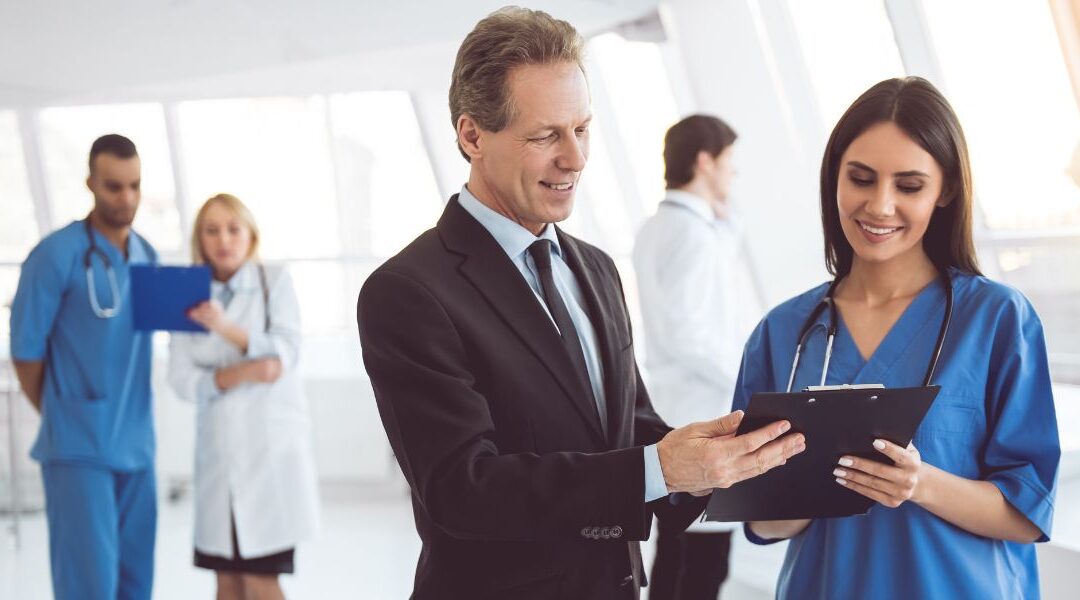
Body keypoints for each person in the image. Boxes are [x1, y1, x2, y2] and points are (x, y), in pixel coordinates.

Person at [356, 7, 805, 599]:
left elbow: (630, 430)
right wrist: (660, 468)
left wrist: (744, 470)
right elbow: (463, 490)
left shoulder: (595, 268)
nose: (576, 157)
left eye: (583, 128)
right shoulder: (409, 292)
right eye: (546, 136)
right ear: (472, 136)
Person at [740, 77, 1059, 598]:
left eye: (908, 186)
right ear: (834, 179)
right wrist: (789, 492)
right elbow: (764, 520)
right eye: (860, 178)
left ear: (946, 190)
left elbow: (1027, 513)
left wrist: (920, 483)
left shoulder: (996, 318)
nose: (880, 206)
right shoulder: (783, 332)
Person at [10, 134, 158, 599]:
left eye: (134, 185)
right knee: (89, 587)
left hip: (137, 446)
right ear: (90, 183)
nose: (126, 198)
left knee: (136, 585)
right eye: (114, 186)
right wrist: (64, 411)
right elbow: (25, 353)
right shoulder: (54, 256)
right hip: (77, 450)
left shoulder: (148, 256)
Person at [168, 194, 320, 600]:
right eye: (212, 230)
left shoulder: (274, 281)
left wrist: (223, 327)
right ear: (199, 239)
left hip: (269, 459)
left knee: (260, 581)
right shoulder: (185, 292)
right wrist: (237, 374)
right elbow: (181, 378)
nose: (224, 240)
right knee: (227, 583)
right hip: (219, 459)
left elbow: (284, 356)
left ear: (251, 235)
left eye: (233, 229)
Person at [634, 114, 756, 600]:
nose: (733, 176)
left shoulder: (661, 227)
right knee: (703, 566)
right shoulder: (692, 235)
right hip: (705, 409)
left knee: (676, 551)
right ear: (705, 161)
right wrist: (748, 378)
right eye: (729, 164)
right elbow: (688, 331)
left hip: (674, 406)